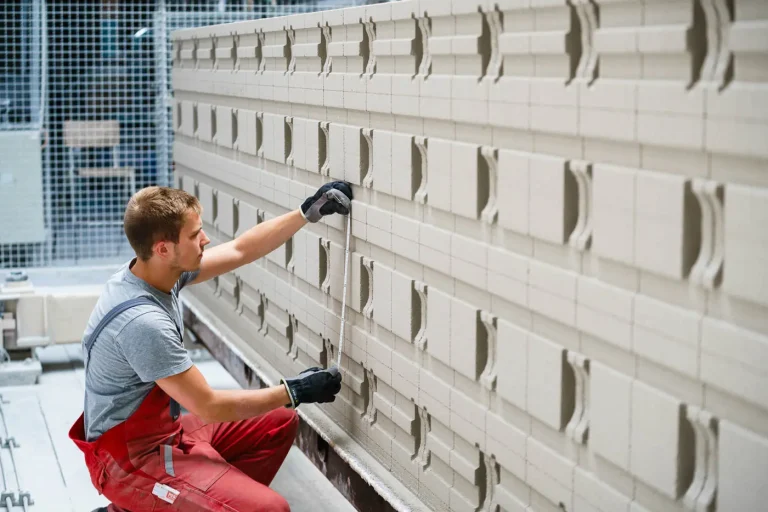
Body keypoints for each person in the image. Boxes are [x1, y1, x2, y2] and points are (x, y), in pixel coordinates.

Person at [69, 181, 353, 512]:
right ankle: (147, 502)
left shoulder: (155, 273)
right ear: (163, 249)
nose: (205, 240)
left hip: (163, 436)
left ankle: (205, 500)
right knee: (269, 509)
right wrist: (296, 390)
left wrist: (306, 214)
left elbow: (241, 250)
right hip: (129, 462)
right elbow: (210, 405)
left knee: (278, 421)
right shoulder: (143, 323)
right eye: (194, 235)